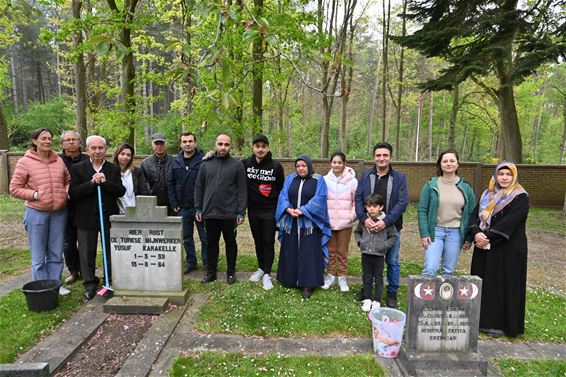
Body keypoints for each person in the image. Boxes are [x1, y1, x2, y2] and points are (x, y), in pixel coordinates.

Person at [469, 162, 529, 338]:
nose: (504, 177)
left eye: (508, 174)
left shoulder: (520, 197)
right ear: (495, 176)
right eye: (500, 174)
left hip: (507, 249)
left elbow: (511, 221)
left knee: (501, 285)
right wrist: (476, 233)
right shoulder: (487, 195)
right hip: (484, 247)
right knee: (484, 283)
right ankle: (481, 320)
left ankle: (498, 324)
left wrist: (486, 236)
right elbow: (474, 216)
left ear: (514, 176)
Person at [10, 128, 71, 296]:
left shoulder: (58, 160)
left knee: (56, 253)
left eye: (50, 138)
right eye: (43, 138)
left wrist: (64, 193)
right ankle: (41, 289)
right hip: (36, 213)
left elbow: (67, 179)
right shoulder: (25, 162)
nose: (47, 141)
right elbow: (14, 188)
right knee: (38, 256)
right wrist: (35, 195)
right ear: (35, 141)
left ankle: (55, 285)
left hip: (58, 213)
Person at [69, 135, 125, 300]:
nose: (97, 151)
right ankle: (90, 284)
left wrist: (105, 182)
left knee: (110, 249)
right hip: (85, 217)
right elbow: (73, 192)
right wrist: (91, 183)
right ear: (87, 150)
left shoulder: (113, 169)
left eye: (100, 148)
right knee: (87, 252)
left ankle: (109, 281)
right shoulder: (78, 168)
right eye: (93, 148)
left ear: (105, 150)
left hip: (107, 216)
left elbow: (120, 191)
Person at [355, 142, 408, 308]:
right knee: (369, 260)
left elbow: (402, 202)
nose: (381, 158)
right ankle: (367, 290)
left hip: (391, 227)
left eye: (385, 155)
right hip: (368, 227)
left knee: (392, 261)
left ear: (391, 158)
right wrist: (364, 219)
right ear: (374, 157)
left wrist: (386, 221)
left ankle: (391, 292)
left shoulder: (399, 178)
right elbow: (358, 199)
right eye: (378, 155)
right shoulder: (365, 176)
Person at [275, 155, 332, 299]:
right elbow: (283, 196)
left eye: (303, 165)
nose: (301, 168)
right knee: (290, 250)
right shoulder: (290, 179)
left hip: (309, 224)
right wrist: (288, 209)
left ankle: (308, 284)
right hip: (291, 222)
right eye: (298, 166)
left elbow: (320, 198)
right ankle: (290, 279)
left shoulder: (318, 180)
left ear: (309, 166)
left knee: (309, 253)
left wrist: (303, 210)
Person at [194, 133, 247, 284]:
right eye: (220, 144)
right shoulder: (205, 164)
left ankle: (231, 272)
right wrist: (198, 208)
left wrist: (241, 212)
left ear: (230, 146)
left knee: (231, 243)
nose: (223, 147)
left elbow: (242, 190)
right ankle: (211, 272)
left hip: (229, 214)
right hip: (209, 213)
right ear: (215, 145)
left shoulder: (237, 165)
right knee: (211, 244)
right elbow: (199, 188)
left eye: (226, 144)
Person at [418, 149, 475, 276]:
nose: (448, 163)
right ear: (440, 164)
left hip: (456, 233)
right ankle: (426, 296)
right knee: (430, 269)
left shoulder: (466, 187)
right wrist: (424, 233)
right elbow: (422, 210)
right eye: (445, 161)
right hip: (435, 232)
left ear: (457, 164)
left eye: (452, 161)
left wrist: (469, 237)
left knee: (448, 271)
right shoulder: (430, 185)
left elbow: (472, 214)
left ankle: (444, 296)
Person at [242, 135, 285, 290]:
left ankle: (267, 273)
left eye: (263, 146)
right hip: (253, 210)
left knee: (268, 241)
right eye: (257, 146)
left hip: (270, 210)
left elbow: (281, 190)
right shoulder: (245, 164)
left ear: (268, 148)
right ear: (253, 148)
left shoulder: (276, 166)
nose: (260, 149)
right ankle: (261, 268)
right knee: (258, 240)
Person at [168, 132, 208, 274]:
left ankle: (207, 264)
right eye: (184, 141)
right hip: (182, 207)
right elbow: (170, 183)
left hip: (200, 208)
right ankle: (191, 263)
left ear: (195, 143)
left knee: (205, 238)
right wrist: (174, 204)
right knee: (187, 238)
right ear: (181, 144)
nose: (187, 144)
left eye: (190, 141)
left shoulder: (204, 160)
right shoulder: (175, 161)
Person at [354, 194, 398, 312]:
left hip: (379, 255)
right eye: (369, 206)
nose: (371, 209)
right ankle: (367, 298)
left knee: (378, 278)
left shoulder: (386, 222)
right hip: (365, 254)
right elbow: (357, 232)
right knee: (367, 277)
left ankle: (377, 300)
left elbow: (394, 236)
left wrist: (384, 246)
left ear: (381, 207)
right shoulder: (364, 221)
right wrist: (360, 242)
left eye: (374, 206)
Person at [322, 151, 358, 292]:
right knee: (331, 251)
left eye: (339, 162)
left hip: (345, 224)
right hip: (329, 223)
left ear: (344, 164)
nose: (337, 165)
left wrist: (350, 217)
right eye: (334, 162)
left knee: (342, 252)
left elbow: (357, 202)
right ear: (330, 163)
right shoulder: (324, 180)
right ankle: (330, 276)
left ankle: (342, 277)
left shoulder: (353, 181)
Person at [59, 130, 88, 285]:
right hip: (64, 207)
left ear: (79, 142)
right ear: (62, 143)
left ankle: (85, 270)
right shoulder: (57, 160)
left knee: (84, 241)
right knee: (68, 242)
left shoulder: (87, 160)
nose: (71, 142)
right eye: (68, 140)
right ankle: (73, 270)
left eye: (74, 139)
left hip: (83, 207)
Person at [140, 132, 173, 215]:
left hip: (172, 204)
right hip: (152, 204)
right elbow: (142, 185)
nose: (159, 146)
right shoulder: (145, 163)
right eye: (156, 143)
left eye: (162, 143)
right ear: (152, 145)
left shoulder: (174, 161)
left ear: (166, 145)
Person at [112, 143, 148, 214]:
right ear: (117, 155)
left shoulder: (137, 172)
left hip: (136, 213)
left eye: (128, 155)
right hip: (117, 213)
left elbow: (143, 192)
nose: (125, 157)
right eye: (122, 154)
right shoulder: (110, 171)